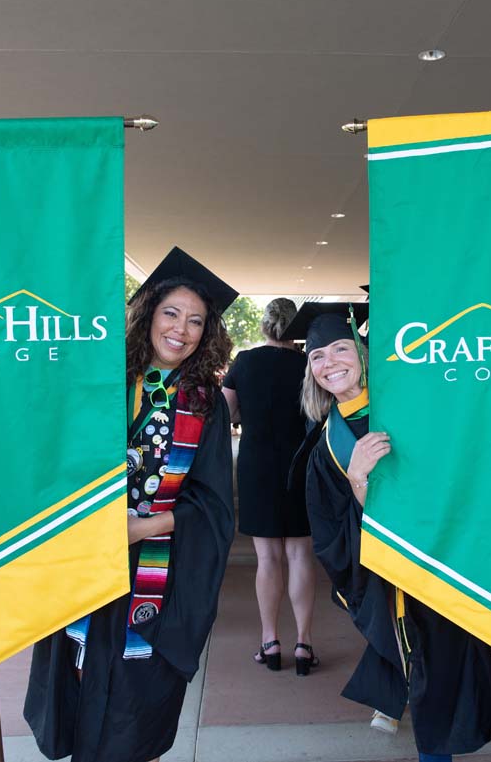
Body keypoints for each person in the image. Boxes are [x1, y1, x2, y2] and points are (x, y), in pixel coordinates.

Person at [291, 302, 491, 762]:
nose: (330, 363)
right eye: (317, 357)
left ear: (364, 354)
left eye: (340, 348)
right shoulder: (327, 449)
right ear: (310, 372)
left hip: (480, 560)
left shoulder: (416, 406)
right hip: (420, 587)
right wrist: (359, 480)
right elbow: (336, 538)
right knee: (436, 692)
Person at [24, 247, 237, 762]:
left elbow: (214, 509)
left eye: (195, 321)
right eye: (171, 313)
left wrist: (145, 528)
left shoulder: (205, 404)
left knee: (130, 720)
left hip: (157, 585)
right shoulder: (101, 382)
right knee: (77, 691)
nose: (181, 330)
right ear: (147, 313)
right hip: (86, 570)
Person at [221, 298, 319, 675]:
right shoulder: (308, 363)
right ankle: (304, 644)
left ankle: (270, 640)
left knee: (268, 559)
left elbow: (225, 414)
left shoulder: (244, 362)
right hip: (300, 464)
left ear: (264, 326)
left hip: (257, 465)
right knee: (298, 555)